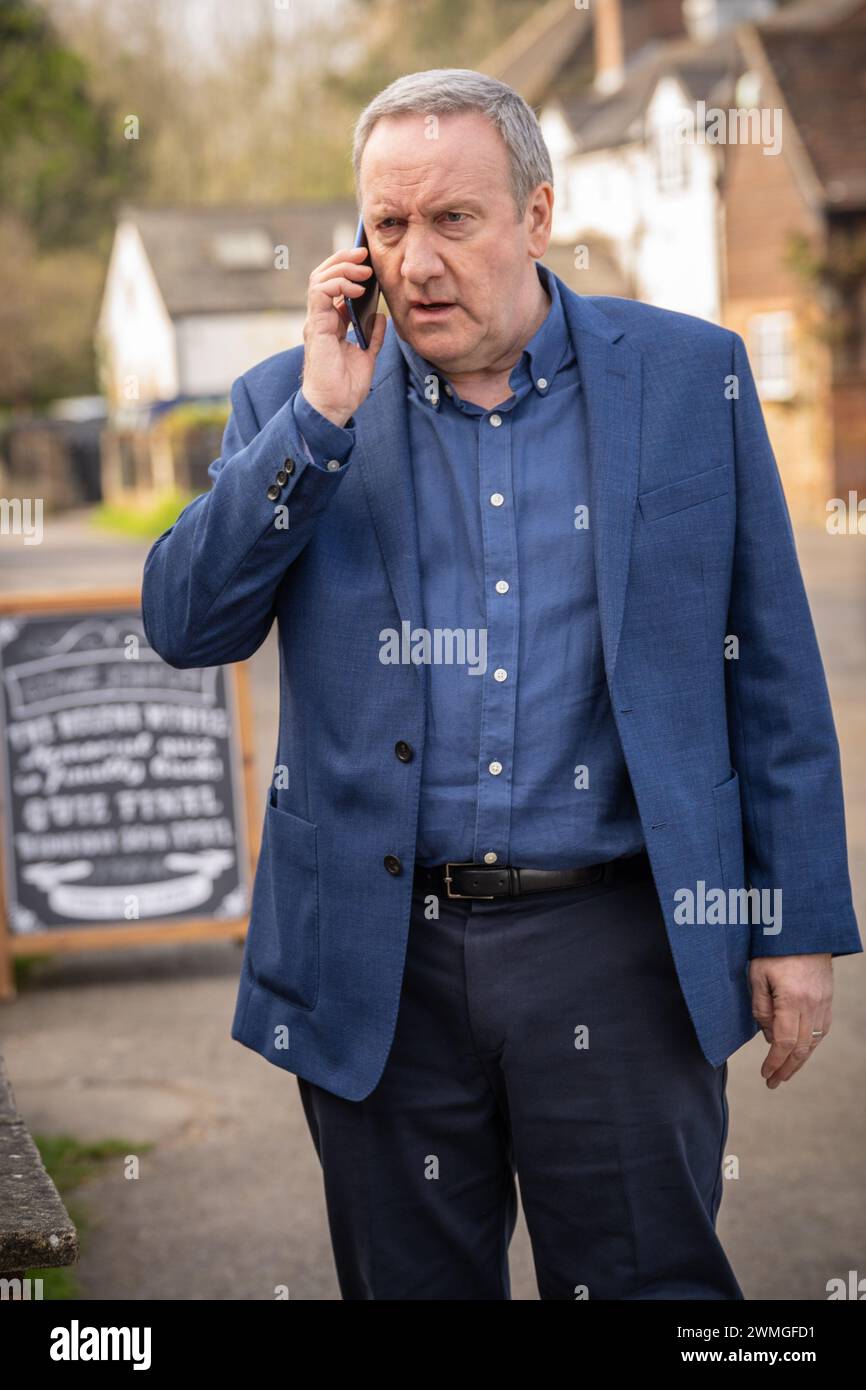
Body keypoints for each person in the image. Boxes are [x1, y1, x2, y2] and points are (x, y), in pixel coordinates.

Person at [141, 68, 862, 1300]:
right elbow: (186, 623)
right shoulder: (293, 401)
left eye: (453, 220)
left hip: (620, 945)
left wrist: (795, 925)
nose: (415, 260)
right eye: (386, 224)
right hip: (380, 960)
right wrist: (315, 427)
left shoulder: (692, 380)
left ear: (536, 213)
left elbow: (774, 674)